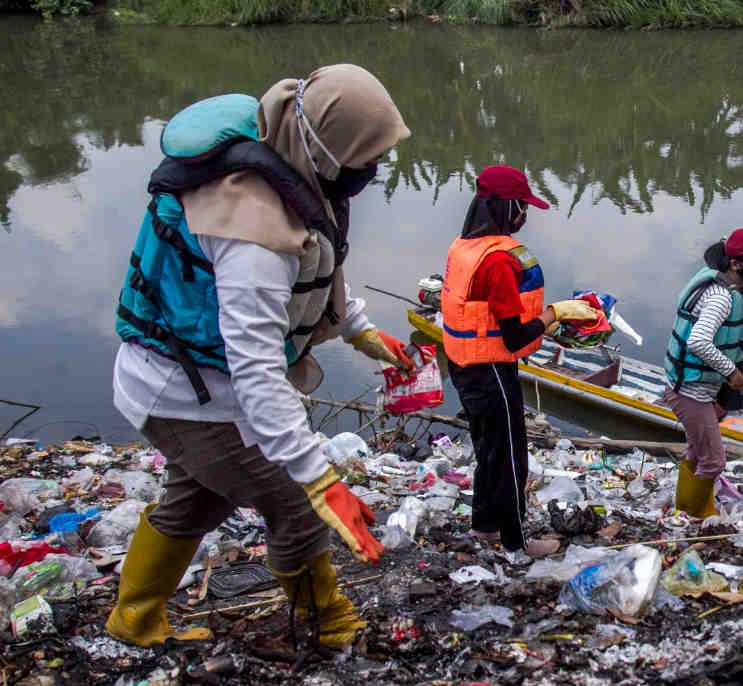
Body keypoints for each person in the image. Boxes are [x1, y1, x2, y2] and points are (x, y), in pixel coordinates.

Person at [108, 65, 413, 649]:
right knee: (294, 504)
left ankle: (134, 616)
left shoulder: (292, 154)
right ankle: (328, 622)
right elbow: (255, 369)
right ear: (328, 146)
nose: (370, 171)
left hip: (202, 379)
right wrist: (319, 478)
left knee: (201, 497)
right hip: (183, 391)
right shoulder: (251, 232)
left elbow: (317, 260)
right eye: (363, 158)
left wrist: (361, 331)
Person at [440, 165, 594, 564]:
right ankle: (515, 541)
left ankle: (484, 524)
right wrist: (556, 314)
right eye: (522, 206)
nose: (525, 214)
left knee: (488, 448)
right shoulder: (499, 262)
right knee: (511, 454)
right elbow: (514, 337)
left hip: (463, 363)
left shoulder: (465, 246)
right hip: (491, 368)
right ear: (506, 207)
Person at [663, 228, 743, 519]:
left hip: (697, 387)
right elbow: (699, 341)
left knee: (696, 450)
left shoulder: (724, 282)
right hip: (690, 391)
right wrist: (731, 373)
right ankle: (693, 517)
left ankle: (688, 508)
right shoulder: (720, 297)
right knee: (714, 461)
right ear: (736, 263)